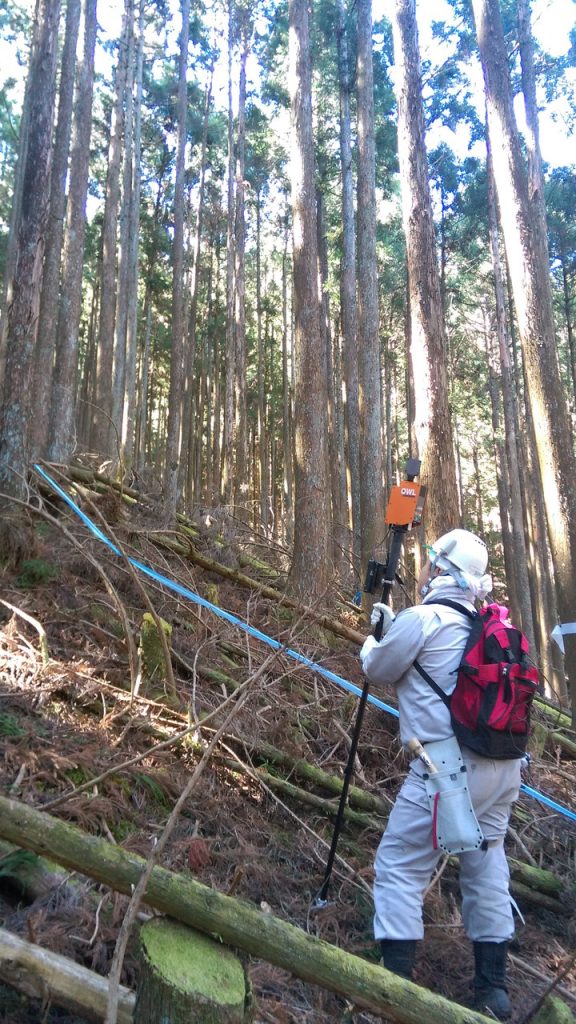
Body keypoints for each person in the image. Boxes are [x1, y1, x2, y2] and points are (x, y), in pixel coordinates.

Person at [359, 528, 520, 1021]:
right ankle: (493, 991)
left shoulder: (425, 618)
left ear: (442, 570)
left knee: (400, 866)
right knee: (486, 866)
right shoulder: (492, 628)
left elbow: (377, 667)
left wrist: (376, 631)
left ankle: (397, 991)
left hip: (445, 768)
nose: (425, 569)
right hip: (504, 769)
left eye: (432, 561)